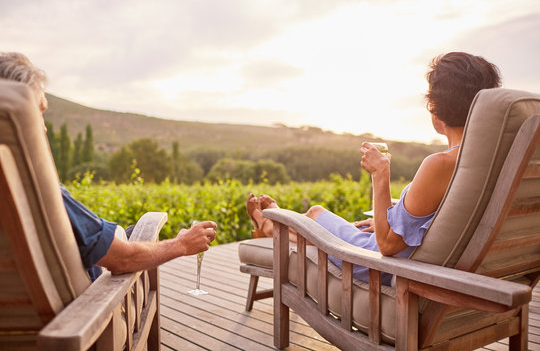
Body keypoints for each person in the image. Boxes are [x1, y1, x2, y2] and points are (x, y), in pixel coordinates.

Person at [247, 52, 502, 285]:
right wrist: (386, 220)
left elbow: (387, 245)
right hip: (424, 259)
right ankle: (270, 227)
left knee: (314, 213)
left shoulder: (441, 164)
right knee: (349, 225)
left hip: (386, 265)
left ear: (435, 107)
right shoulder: (490, 163)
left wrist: (380, 174)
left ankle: (272, 226)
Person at [0, 52, 218, 281]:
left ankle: (123, 233)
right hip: (90, 311)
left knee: (125, 233)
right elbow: (123, 260)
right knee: (137, 232)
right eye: (39, 112)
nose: (43, 128)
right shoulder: (35, 192)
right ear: (16, 117)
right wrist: (182, 244)